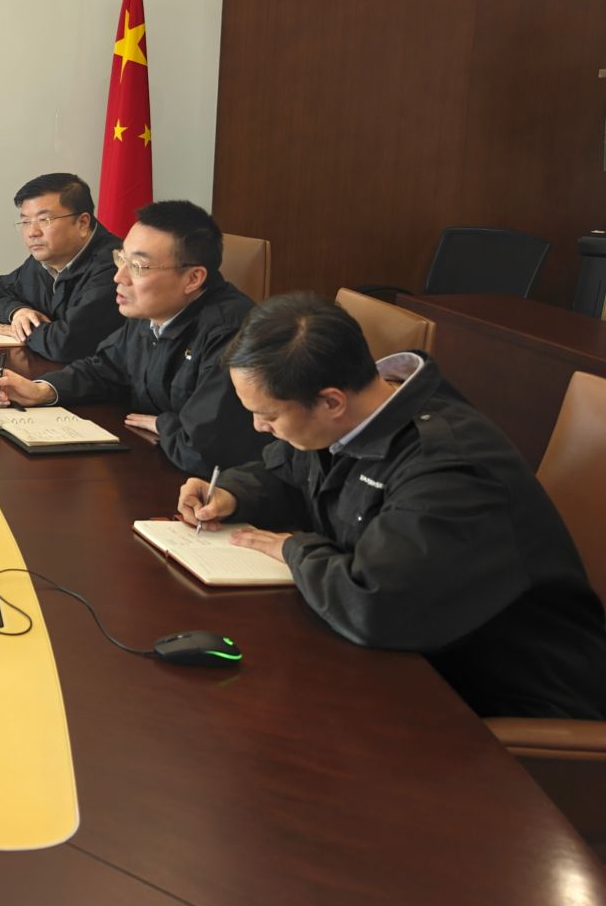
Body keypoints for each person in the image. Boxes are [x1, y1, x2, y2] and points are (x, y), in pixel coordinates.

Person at [179, 293, 606, 720]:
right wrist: (233, 493)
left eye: (269, 415)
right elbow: (290, 474)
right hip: (419, 660)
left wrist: (295, 548)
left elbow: (374, 604)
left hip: (502, 701)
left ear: (331, 402)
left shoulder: (448, 467)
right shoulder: (355, 415)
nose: (258, 427)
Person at [0, 199, 267, 476]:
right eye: (121, 259)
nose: (119, 277)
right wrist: (43, 391)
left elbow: (204, 450)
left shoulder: (232, 334)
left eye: (138, 267)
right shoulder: (153, 311)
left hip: (208, 490)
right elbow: (105, 368)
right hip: (153, 463)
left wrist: (163, 425)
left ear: (193, 278)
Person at [0, 172, 123, 362]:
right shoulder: (46, 258)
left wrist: (24, 330)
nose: (32, 232)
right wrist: (18, 312)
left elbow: (67, 344)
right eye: (25, 221)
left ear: (83, 223)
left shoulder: (114, 266)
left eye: (44, 220)